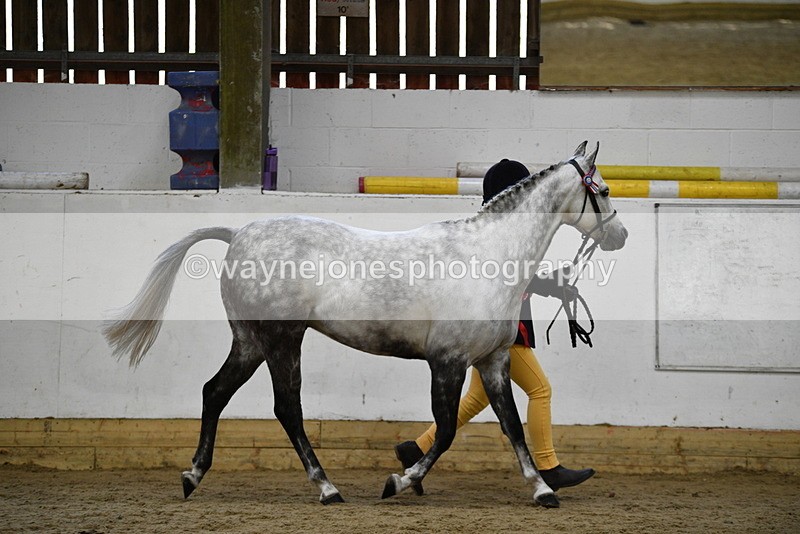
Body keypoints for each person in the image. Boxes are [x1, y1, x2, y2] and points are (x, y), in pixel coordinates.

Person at [394, 159, 595, 495]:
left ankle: (416, 449)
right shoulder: (501, 235)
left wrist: (551, 284)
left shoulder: (493, 231)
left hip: (501, 326)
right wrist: (550, 284)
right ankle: (549, 467)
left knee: (476, 398)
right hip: (501, 329)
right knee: (540, 390)